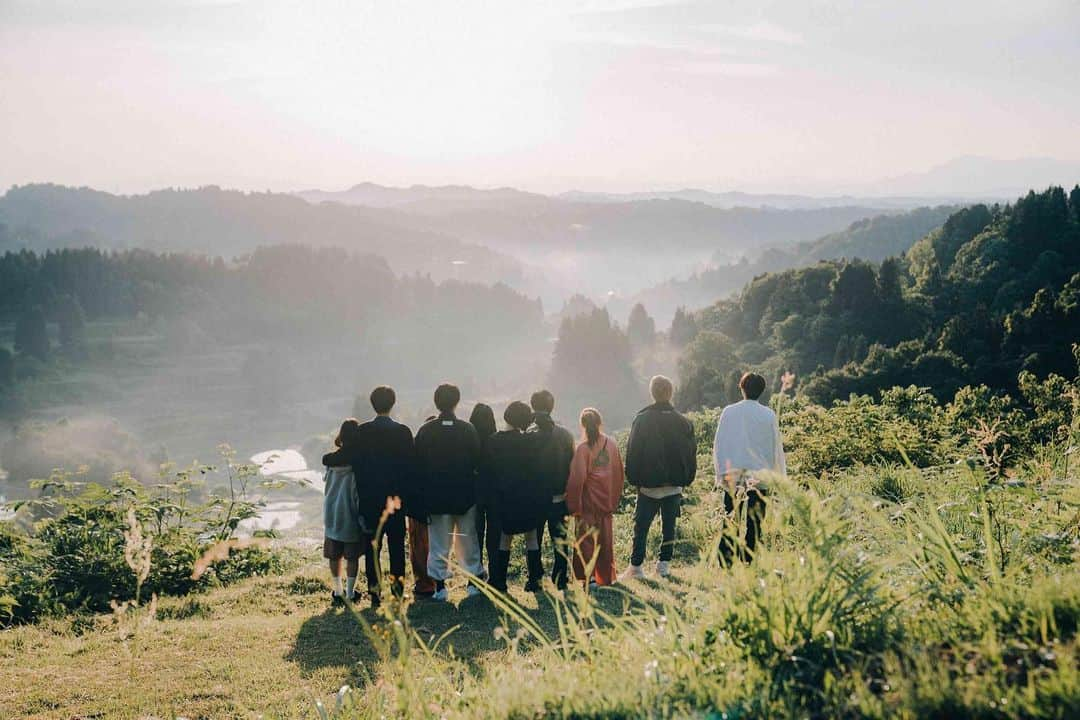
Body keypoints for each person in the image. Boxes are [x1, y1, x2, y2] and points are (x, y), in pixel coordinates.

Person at [323, 386, 412, 607]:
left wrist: (327, 458)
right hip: (396, 499)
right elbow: (412, 467)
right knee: (397, 548)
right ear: (393, 403)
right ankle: (398, 592)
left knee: (374, 547)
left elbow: (343, 456)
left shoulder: (362, 433)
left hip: (370, 500)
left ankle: (375, 593)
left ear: (373, 404)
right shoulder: (403, 432)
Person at [621, 375, 697, 580]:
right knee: (669, 527)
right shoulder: (684, 422)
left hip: (648, 484)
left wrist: (634, 479)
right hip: (675, 485)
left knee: (641, 527)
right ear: (670, 393)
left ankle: (636, 567)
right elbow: (691, 455)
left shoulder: (642, 419)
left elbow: (633, 451)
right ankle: (663, 565)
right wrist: (686, 479)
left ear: (652, 393)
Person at [414, 383, 484, 601]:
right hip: (464, 496)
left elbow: (418, 465)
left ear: (436, 402)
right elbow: (476, 460)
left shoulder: (425, 431)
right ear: (456, 402)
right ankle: (472, 583)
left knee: (438, 543)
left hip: (436, 498)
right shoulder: (468, 429)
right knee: (468, 540)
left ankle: (440, 587)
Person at [712, 372, 786, 565]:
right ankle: (748, 558)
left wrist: (720, 472)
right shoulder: (768, 414)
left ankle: (726, 559)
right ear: (762, 391)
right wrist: (778, 476)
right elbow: (775, 447)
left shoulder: (729, 411)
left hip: (733, 474)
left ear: (741, 387)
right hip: (760, 476)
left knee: (730, 517)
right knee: (755, 522)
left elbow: (719, 444)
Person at [485, 401, 548, 592]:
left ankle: (499, 581)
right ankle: (535, 580)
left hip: (505, 498)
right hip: (528, 497)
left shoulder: (494, 441)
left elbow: (490, 472)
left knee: (505, 538)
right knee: (531, 538)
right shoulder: (530, 441)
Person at [566, 408, 624, 588]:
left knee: (586, 542)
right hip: (606, 503)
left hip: (588, 505)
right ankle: (605, 577)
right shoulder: (612, 445)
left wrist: (573, 506)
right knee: (605, 543)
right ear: (600, 423)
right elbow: (618, 475)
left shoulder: (582, 449)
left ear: (582, 425)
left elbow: (576, 480)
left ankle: (589, 579)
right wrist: (613, 500)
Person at [528, 389, 575, 590]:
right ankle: (561, 577)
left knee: (533, 541)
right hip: (559, 496)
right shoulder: (564, 435)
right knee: (561, 540)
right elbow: (572, 465)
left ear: (533, 406)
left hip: (534, 498)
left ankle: (534, 579)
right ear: (552, 407)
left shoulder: (528, 435)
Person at [321, 419, 366, 605]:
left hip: (332, 513)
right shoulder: (358, 465)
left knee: (334, 554)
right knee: (352, 556)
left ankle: (337, 590)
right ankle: (350, 592)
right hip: (351, 515)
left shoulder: (331, 462)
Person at [406, 416, 438, 599]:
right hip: (434, 502)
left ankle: (424, 583)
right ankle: (435, 581)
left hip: (417, 504)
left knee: (419, 544)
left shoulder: (417, 447)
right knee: (435, 543)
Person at [469, 403, 499, 578]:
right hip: (495, 493)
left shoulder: (470, 440)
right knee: (494, 535)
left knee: (475, 536)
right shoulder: (496, 441)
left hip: (475, 493)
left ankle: (475, 576)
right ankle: (495, 573)